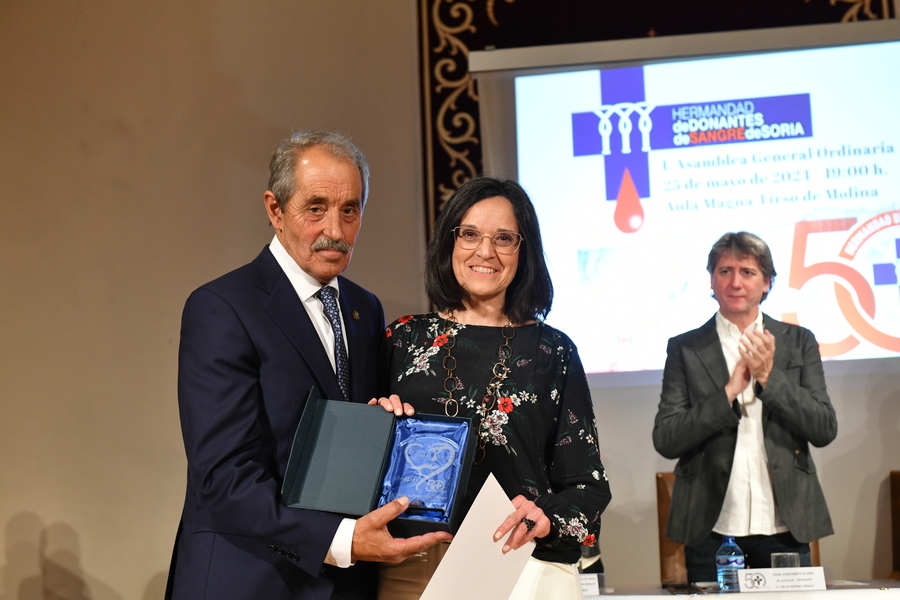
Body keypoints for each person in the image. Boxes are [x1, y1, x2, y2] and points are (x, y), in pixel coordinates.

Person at [165, 131, 451, 600]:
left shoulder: (364, 308)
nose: (335, 229)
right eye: (315, 208)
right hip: (248, 581)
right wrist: (340, 540)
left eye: (350, 210)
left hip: (345, 582)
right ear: (275, 210)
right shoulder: (221, 307)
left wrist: (387, 423)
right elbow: (223, 476)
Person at [377, 176, 612, 600]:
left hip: (519, 563)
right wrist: (376, 423)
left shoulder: (552, 351)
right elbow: (360, 460)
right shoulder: (402, 340)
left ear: (524, 251)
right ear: (449, 242)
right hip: (413, 564)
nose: (485, 251)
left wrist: (544, 516)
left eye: (504, 238)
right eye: (470, 234)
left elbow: (588, 485)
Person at [652, 231, 837, 582]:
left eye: (748, 272)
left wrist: (769, 378)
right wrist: (728, 392)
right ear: (711, 280)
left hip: (785, 524)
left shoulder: (799, 341)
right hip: (712, 527)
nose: (735, 282)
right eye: (725, 271)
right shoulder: (685, 348)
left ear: (766, 282)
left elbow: (824, 428)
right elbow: (667, 438)